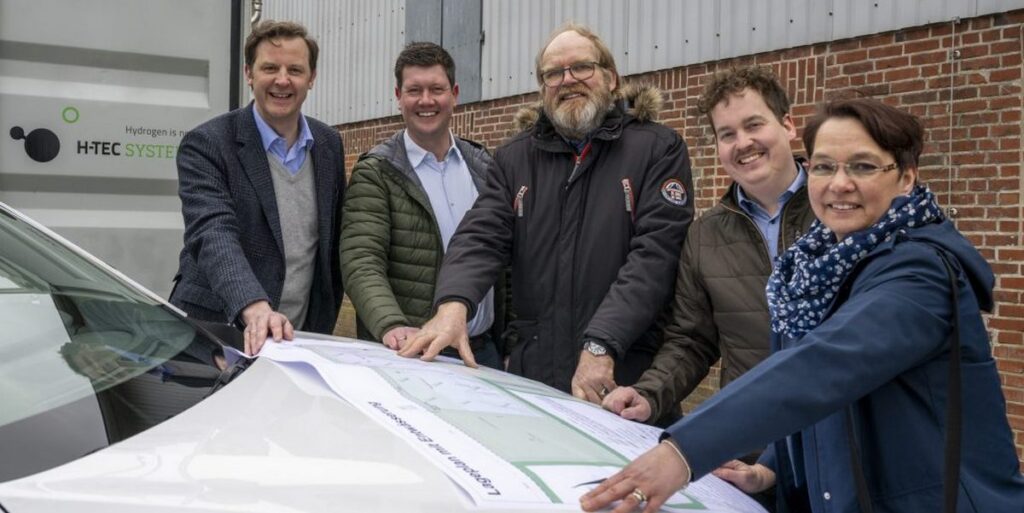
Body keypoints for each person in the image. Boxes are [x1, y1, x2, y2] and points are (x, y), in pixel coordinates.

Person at [581, 98, 1024, 513]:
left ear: (906, 177)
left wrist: (683, 451)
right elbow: (821, 402)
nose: (840, 184)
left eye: (863, 166)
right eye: (825, 166)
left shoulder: (921, 271)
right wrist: (770, 468)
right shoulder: (815, 268)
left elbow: (823, 367)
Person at [399, 23, 694, 408]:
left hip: (624, 378)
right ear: (542, 88)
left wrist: (602, 342)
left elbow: (654, 258)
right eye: (553, 73)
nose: (567, 80)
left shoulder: (657, 149)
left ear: (611, 78)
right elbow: (480, 237)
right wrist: (453, 304)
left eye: (581, 67)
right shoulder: (514, 159)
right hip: (535, 379)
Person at [603, 66, 816, 430]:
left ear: (788, 125)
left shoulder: (840, 210)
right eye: (727, 134)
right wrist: (649, 395)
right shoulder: (705, 236)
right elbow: (692, 341)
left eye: (754, 125)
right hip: (751, 437)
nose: (743, 143)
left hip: (843, 436)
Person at [169, 20, 345, 356]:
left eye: (295, 69)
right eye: (270, 68)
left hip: (296, 339)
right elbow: (212, 232)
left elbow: (331, 243)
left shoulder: (329, 144)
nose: (282, 80)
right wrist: (254, 307)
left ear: (312, 78)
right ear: (249, 73)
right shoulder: (207, 143)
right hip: (215, 335)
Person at [340, 42, 503, 369]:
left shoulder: (484, 166)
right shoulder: (377, 171)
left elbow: (506, 256)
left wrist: (510, 342)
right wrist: (391, 324)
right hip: (413, 352)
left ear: (454, 94)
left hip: (483, 350)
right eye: (414, 90)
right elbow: (361, 259)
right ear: (398, 97)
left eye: (436, 89)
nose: (426, 100)